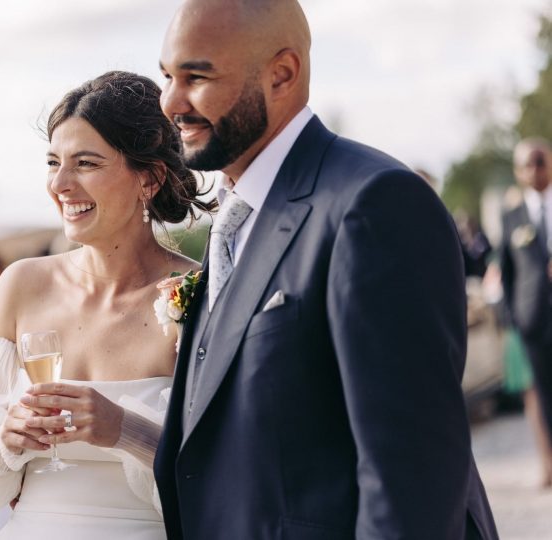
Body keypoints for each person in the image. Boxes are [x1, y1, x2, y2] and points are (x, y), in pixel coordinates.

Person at [153, 1, 497, 538]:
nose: (171, 101)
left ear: (282, 73)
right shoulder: (234, 218)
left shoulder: (374, 203)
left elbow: (411, 470)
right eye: (167, 76)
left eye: (197, 76)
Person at [0, 71, 214, 539]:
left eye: (85, 163)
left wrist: (124, 429)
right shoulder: (23, 284)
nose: (60, 184)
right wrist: (4, 444)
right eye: (53, 162)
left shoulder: (201, 292)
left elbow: (228, 467)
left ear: (149, 178)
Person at [500, 137, 552, 489]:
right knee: (543, 396)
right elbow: (506, 272)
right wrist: (512, 318)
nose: (533, 169)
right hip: (534, 321)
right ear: (518, 172)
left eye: (539, 160)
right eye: (526, 164)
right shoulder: (512, 216)